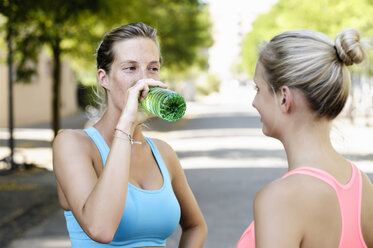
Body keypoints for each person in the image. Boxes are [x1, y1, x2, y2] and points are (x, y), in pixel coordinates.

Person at [53, 22, 207, 248]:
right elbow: (101, 229)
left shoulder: (163, 153)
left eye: (152, 68)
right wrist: (125, 125)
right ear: (103, 77)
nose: (144, 80)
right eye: (130, 68)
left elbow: (196, 226)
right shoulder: (73, 144)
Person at [237, 28, 373, 248]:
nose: (254, 102)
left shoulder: (280, 199)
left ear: (284, 98)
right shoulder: (361, 185)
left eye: (258, 88)